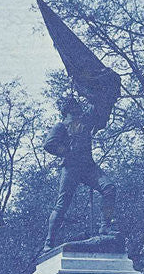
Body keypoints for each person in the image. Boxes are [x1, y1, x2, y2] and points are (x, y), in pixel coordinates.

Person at [42, 92, 118, 252]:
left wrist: (93, 89)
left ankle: (105, 227)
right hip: (71, 167)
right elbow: (49, 144)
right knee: (62, 204)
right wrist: (67, 151)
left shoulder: (86, 119)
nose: (78, 106)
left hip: (88, 166)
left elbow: (96, 102)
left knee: (109, 188)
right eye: (74, 105)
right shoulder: (61, 126)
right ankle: (49, 242)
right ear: (68, 109)